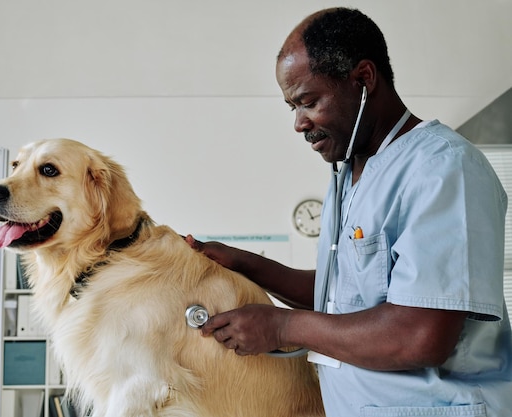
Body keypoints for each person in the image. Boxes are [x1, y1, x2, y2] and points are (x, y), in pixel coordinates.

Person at [185, 7, 512, 416]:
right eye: (293, 108)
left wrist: (281, 326)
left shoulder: (443, 168)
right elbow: (343, 298)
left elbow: (420, 335)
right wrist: (242, 263)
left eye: (308, 102)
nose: (299, 124)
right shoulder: (348, 176)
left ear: (363, 79)